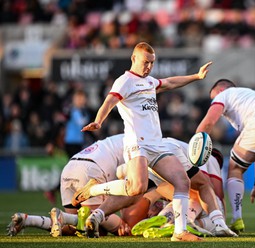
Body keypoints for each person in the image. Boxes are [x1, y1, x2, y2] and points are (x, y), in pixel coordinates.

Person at [79, 41, 212, 242]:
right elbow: (109, 102)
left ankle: (179, 232)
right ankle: (94, 189)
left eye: (152, 62)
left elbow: (169, 82)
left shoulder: (149, 82)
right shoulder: (125, 81)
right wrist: (98, 121)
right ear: (134, 58)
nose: (149, 66)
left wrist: (196, 76)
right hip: (137, 143)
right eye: (145, 62)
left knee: (182, 181)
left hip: (157, 144)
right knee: (136, 189)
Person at [76, 137, 236, 238]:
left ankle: (97, 212)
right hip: (167, 155)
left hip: (141, 154)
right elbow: (213, 191)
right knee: (200, 192)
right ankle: (180, 226)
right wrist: (221, 220)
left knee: (134, 191)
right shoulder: (212, 161)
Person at [195, 79, 255, 236]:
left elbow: (208, 123)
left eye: (213, 98)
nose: (212, 102)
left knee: (235, 168)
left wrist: (194, 149)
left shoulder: (224, 95)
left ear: (220, 91)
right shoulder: (252, 97)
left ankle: (237, 219)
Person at [6, 134, 138, 237]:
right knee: (99, 227)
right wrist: (122, 223)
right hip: (90, 170)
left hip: (70, 167)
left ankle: (28, 220)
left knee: (76, 227)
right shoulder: (140, 146)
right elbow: (130, 185)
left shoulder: (120, 139)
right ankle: (63, 217)